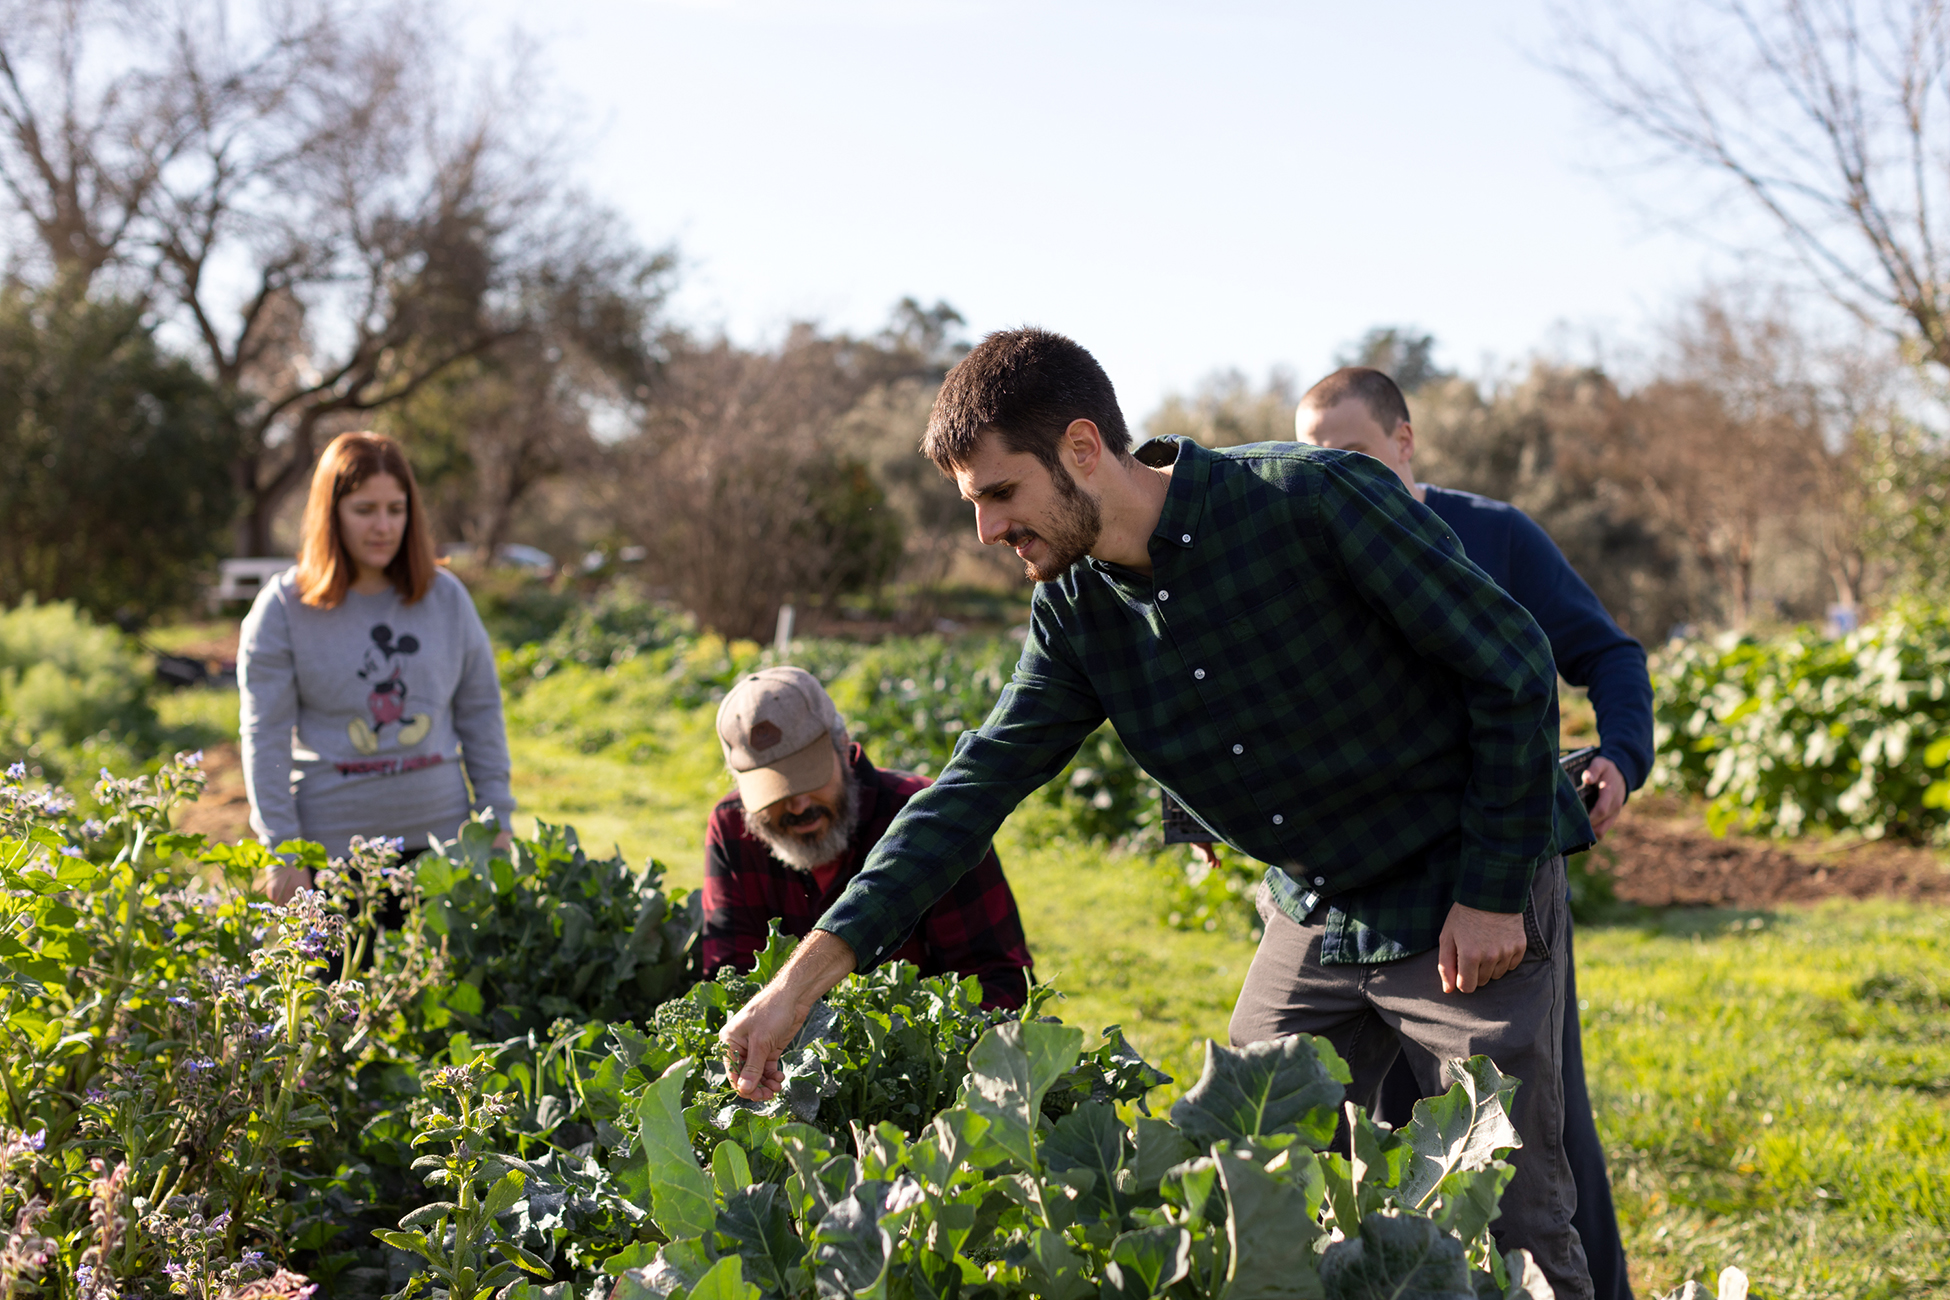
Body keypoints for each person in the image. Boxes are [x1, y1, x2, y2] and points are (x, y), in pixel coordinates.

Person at [720, 328, 1598, 1300]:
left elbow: (1513, 665)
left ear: (1084, 448)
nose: (985, 531)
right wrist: (798, 984)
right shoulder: (1078, 611)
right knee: (1237, 1179)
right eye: (972, 504)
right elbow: (971, 790)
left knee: (1509, 1213)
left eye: (1000, 493)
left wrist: (1489, 891)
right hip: (1314, 904)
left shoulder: (1311, 500)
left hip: (1456, 884)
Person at [1297, 366, 1651, 1300]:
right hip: (1371, 884)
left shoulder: (1494, 536)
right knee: (1383, 1112)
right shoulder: (1311, 553)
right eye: (1315, 460)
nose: (1334, 478)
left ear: (1405, 442)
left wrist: (1621, 751)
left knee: (1539, 1122)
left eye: (1354, 455)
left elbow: (1605, 653)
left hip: (1502, 872)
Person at [239, 431, 515, 904]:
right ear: (331, 514)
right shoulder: (283, 609)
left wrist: (496, 822)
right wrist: (283, 854)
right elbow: (265, 739)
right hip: (331, 863)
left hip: (442, 858)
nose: (383, 526)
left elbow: (481, 714)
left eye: (396, 509)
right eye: (364, 510)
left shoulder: (446, 598)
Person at [703, 666, 1033, 1008]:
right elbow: (731, 981)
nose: (799, 805)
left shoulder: (932, 818)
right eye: (775, 792)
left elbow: (998, 981)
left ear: (843, 745)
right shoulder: (732, 828)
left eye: (810, 778)